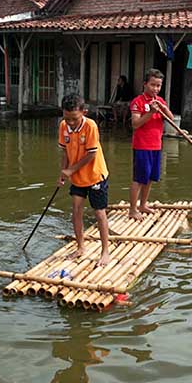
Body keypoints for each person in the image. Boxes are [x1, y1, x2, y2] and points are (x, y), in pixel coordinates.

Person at [58, 93, 111, 267]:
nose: (70, 122)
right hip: (77, 178)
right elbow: (65, 152)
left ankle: (105, 251)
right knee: (76, 210)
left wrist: (70, 170)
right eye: (67, 118)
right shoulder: (63, 126)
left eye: (74, 119)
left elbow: (91, 154)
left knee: (99, 213)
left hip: (95, 176)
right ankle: (80, 247)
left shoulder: (90, 126)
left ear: (84, 112)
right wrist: (63, 173)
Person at [128, 68, 173, 220]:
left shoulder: (160, 101)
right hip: (142, 146)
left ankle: (143, 205)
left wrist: (163, 108)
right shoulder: (138, 102)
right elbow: (135, 124)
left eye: (158, 85)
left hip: (156, 146)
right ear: (145, 84)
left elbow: (171, 119)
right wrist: (151, 113)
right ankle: (132, 209)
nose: (155, 88)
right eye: (153, 85)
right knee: (139, 179)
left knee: (150, 178)